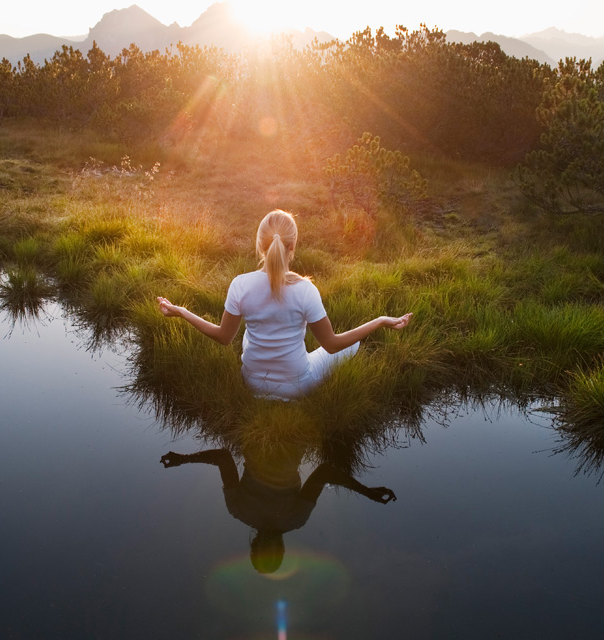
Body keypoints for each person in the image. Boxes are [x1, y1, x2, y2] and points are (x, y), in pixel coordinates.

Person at [157, 209, 412, 400]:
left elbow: (224, 337)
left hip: (252, 384)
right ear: (293, 246)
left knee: (247, 334)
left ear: (259, 245)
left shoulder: (240, 285)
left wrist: (182, 311)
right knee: (351, 344)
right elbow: (332, 345)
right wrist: (379, 321)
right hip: (298, 386)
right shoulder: (306, 290)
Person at [160, 447, 396, 573]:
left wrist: (183, 458)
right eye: (275, 555)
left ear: (255, 548)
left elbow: (223, 457)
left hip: (258, 434)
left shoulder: (238, 510)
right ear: (281, 550)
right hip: (290, 440)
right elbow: (323, 472)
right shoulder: (295, 519)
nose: (269, 549)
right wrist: (366, 491)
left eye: (264, 555)